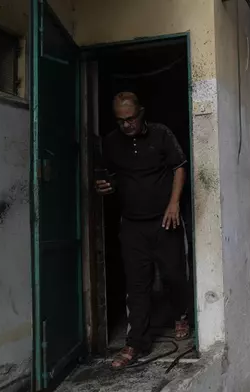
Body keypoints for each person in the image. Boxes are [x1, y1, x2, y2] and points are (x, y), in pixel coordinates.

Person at [96, 92, 190, 369]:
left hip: (165, 219)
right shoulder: (111, 143)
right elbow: (107, 178)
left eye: (131, 118)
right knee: (137, 284)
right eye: (121, 121)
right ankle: (136, 342)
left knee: (173, 274)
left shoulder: (161, 135)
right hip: (132, 224)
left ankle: (180, 314)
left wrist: (173, 204)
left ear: (142, 113)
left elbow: (179, 168)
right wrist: (105, 187)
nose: (126, 125)